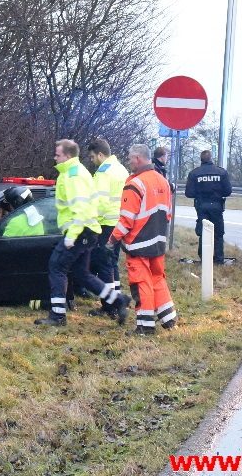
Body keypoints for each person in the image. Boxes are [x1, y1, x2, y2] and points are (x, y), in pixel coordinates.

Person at [34, 139, 131, 326]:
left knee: (57, 266)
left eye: (58, 154)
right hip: (89, 231)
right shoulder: (77, 172)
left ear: (68, 155)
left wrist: (72, 235)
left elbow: (79, 207)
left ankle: (57, 316)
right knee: (82, 273)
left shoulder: (72, 175)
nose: (55, 157)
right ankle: (118, 300)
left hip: (79, 231)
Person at [107, 144, 177, 335]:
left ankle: (145, 326)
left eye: (130, 158)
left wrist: (112, 240)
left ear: (137, 158)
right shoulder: (163, 182)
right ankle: (169, 320)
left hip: (138, 243)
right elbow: (168, 214)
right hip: (158, 241)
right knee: (157, 279)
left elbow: (126, 220)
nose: (129, 161)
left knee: (141, 283)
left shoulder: (135, 184)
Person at [86, 137, 129, 319]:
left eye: (92, 156)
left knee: (103, 264)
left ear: (101, 154)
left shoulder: (103, 173)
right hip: (119, 223)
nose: (91, 160)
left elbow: (100, 203)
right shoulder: (121, 169)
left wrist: (90, 219)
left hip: (105, 224)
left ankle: (109, 306)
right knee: (112, 263)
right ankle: (117, 299)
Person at [184, 149, 232, 265]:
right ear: (211, 159)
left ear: (201, 160)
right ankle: (219, 259)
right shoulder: (221, 172)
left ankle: (205, 258)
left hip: (202, 206)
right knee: (218, 233)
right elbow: (228, 191)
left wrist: (200, 194)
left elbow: (189, 193)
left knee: (203, 232)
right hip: (216, 206)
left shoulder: (194, 173)